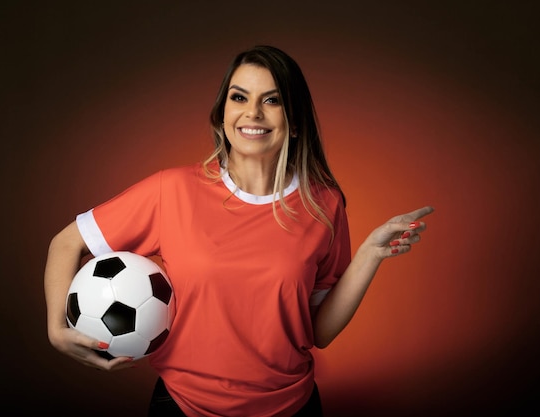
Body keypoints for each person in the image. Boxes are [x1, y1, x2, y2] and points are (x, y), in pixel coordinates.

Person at [44, 45, 433, 417]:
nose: (253, 113)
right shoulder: (172, 190)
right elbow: (66, 243)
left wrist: (370, 253)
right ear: (222, 113)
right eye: (239, 97)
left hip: (291, 408)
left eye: (272, 100)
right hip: (183, 407)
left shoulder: (324, 204)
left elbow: (319, 332)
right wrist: (56, 331)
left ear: (294, 121)